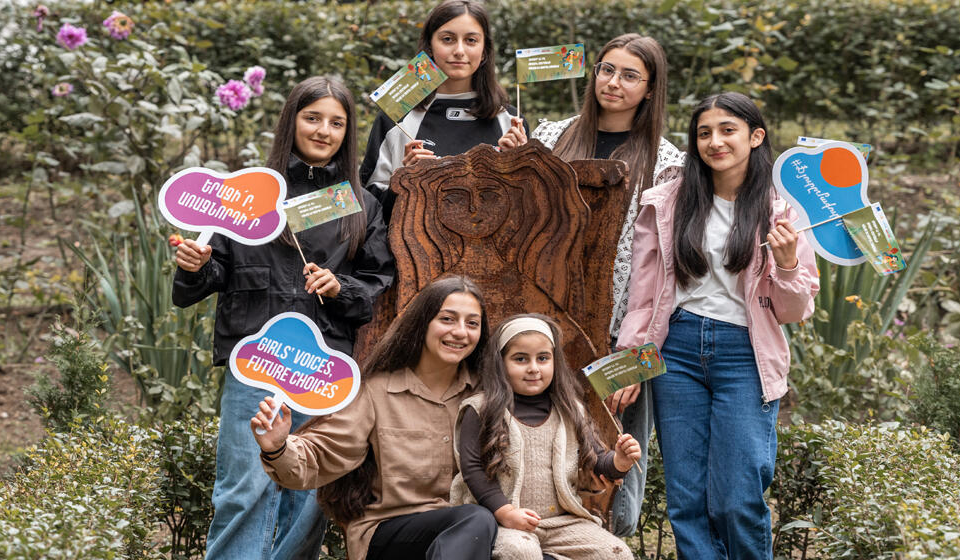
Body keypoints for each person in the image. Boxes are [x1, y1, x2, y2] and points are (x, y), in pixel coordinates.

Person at [172, 76, 395, 560]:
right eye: (312, 118)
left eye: (336, 122)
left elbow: (378, 284)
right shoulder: (253, 194)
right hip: (258, 361)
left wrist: (341, 288)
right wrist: (197, 265)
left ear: (348, 132)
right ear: (291, 121)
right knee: (243, 492)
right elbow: (215, 272)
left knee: (311, 497)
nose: (323, 131)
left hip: (324, 369)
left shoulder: (361, 203)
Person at [616, 92, 820, 559]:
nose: (715, 141)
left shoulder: (782, 209)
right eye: (704, 133)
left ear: (756, 136)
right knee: (685, 501)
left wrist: (787, 265)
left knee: (737, 498)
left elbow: (794, 311)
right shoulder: (668, 201)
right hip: (678, 350)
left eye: (728, 130)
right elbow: (646, 294)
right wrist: (630, 357)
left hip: (745, 354)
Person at [498, 33, 685, 536]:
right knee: (531, 453)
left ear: (650, 89)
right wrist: (515, 164)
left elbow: (662, 275)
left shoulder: (668, 162)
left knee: (612, 473)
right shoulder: (553, 133)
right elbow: (518, 223)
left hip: (617, 336)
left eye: (630, 76)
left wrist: (633, 361)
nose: (614, 83)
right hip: (543, 325)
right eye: (607, 70)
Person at [250, 276, 497, 560]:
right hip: (389, 534)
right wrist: (277, 447)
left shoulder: (487, 395)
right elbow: (320, 454)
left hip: (470, 535)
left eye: (472, 323)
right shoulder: (376, 392)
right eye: (448, 319)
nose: (460, 332)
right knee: (476, 519)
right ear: (423, 322)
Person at [451, 314, 642, 559]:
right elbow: (473, 469)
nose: (533, 368)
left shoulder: (569, 409)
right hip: (502, 520)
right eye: (520, 359)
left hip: (562, 523)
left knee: (617, 553)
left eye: (543, 358)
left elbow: (596, 460)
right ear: (500, 363)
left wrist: (620, 462)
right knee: (522, 552)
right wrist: (504, 511)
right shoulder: (481, 410)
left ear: (554, 361)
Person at [360, 0, 524, 224]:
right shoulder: (395, 117)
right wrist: (405, 181)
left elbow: (531, 211)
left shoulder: (511, 120)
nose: (459, 51)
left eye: (471, 40)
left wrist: (523, 165)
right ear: (429, 46)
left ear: (484, 51)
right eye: (447, 39)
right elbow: (369, 213)